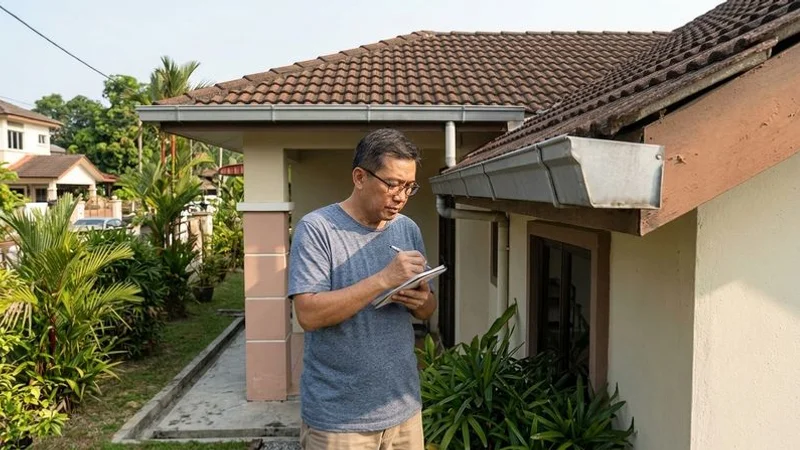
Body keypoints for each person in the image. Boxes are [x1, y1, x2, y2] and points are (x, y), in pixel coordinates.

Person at [288, 128, 437, 450]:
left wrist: (421, 299)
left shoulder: (407, 228)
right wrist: (383, 280)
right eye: (393, 184)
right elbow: (308, 315)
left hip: (404, 409)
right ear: (359, 177)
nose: (401, 196)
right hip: (340, 421)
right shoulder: (317, 230)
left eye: (409, 186)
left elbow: (427, 310)